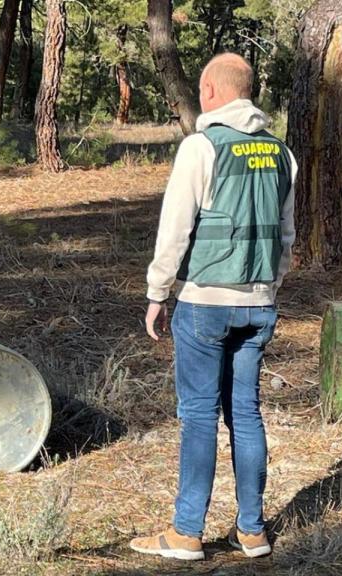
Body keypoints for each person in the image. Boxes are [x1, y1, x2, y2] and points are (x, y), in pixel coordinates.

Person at [129, 52, 297, 561]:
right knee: (245, 413)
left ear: (209, 91)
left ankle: (185, 533)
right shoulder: (283, 153)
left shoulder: (200, 148)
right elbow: (287, 235)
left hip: (205, 302)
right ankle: (252, 531)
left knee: (199, 415)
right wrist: (271, 286)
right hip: (260, 302)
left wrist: (158, 292)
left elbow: (175, 229)